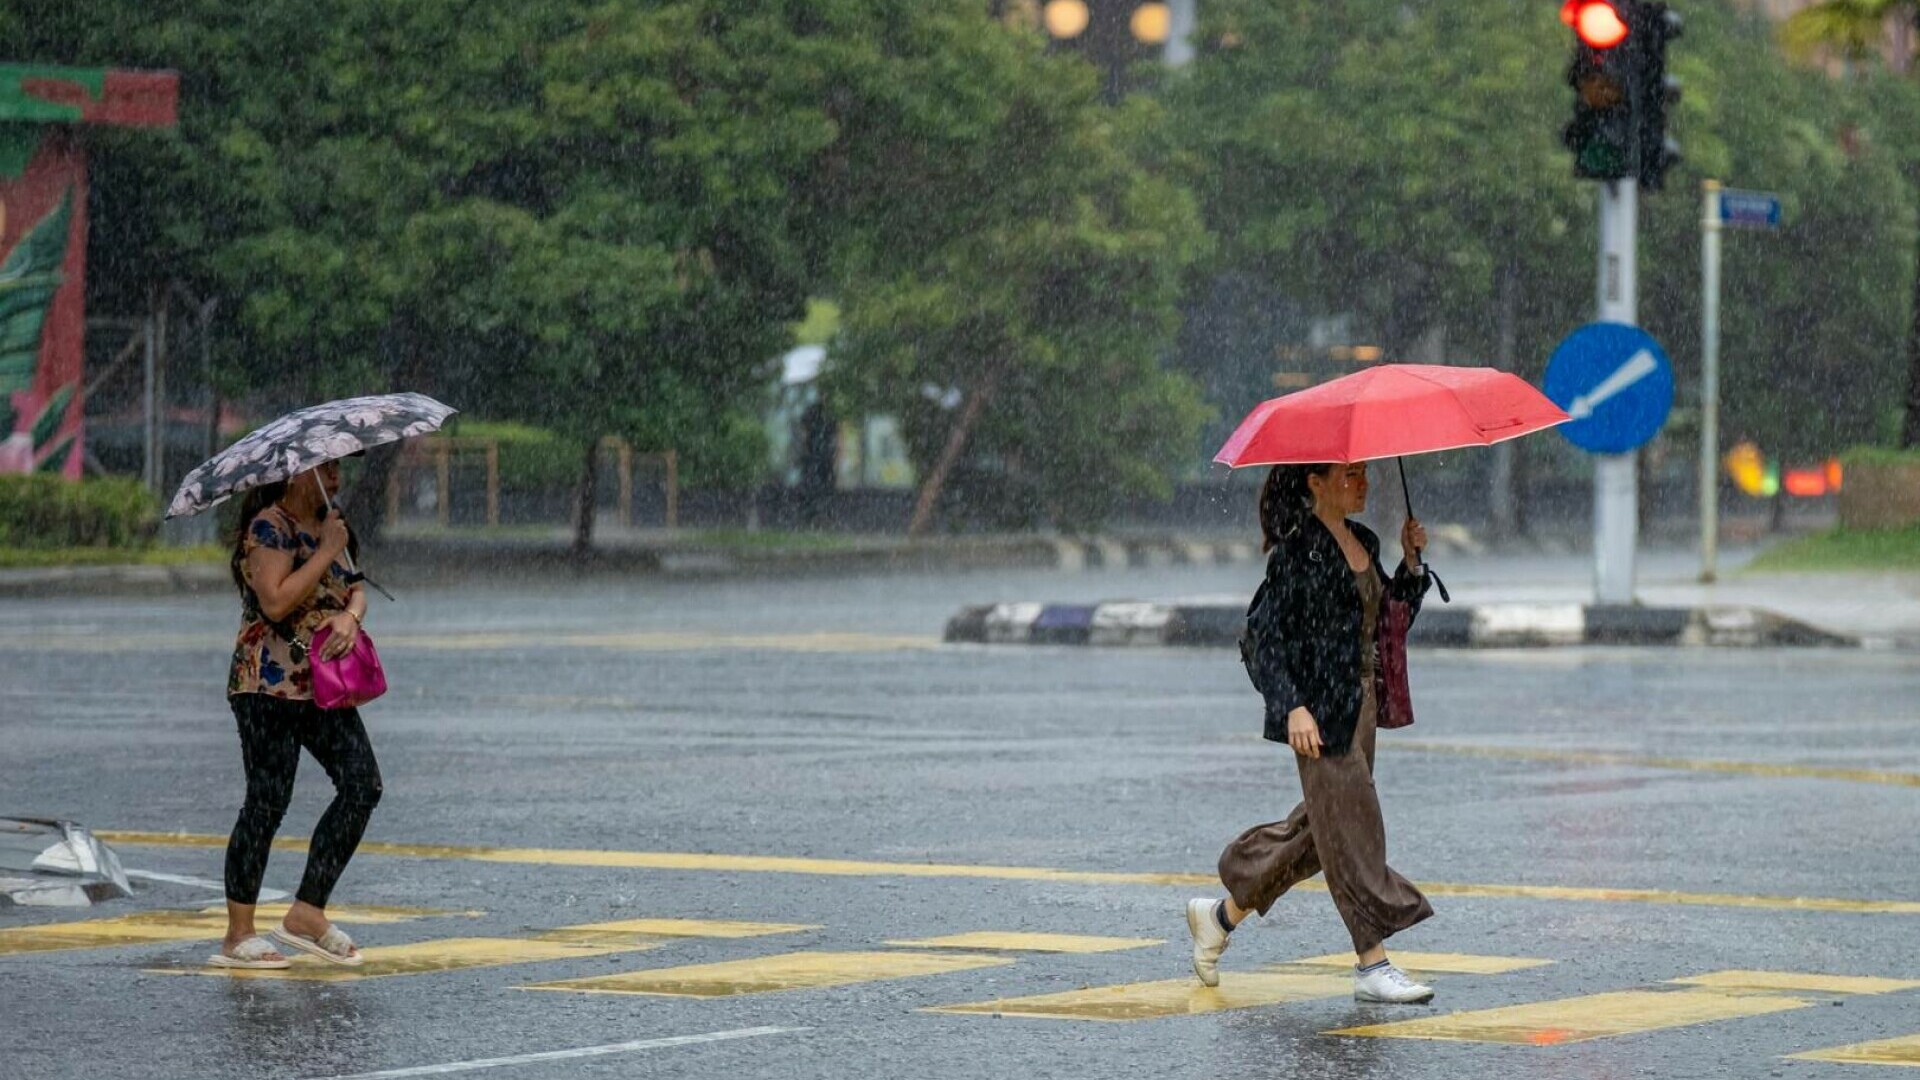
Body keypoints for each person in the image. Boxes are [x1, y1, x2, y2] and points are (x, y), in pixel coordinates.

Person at [1185, 461, 1436, 1003]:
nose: (1363, 482)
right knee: (1353, 827)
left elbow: (1387, 618)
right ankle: (1372, 962)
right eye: (1350, 475)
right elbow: (1262, 639)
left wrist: (1412, 567)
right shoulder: (1299, 553)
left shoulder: (1363, 539)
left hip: (1363, 705)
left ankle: (1220, 917)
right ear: (1316, 485)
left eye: (1364, 473)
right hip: (1320, 714)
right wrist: (1292, 706)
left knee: (1320, 834)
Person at [211, 459, 380, 969]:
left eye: (337, 470)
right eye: (324, 471)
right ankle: (238, 934)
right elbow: (277, 600)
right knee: (267, 801)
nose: (335, 480)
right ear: (294, 475)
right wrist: (326, 549)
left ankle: (307, 910)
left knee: (362, 785)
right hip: (266, 682)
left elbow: (356, 586)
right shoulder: (269, 526)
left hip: (320, 685)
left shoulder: (332, 523)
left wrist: (351, 616)